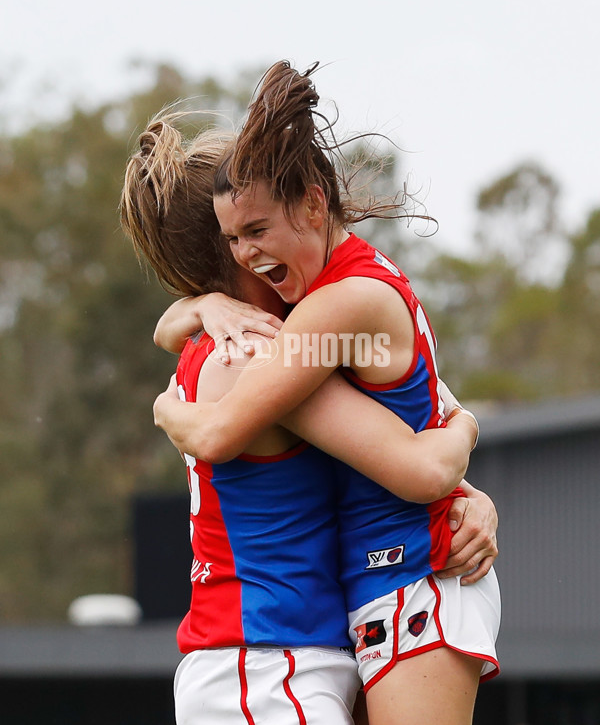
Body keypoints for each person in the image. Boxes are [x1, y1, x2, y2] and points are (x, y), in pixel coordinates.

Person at [153, 61, 501, 725]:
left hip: (404, 582)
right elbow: (429, 433)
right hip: (304, 635)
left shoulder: (326, 315)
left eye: (257, 230)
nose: (249, 250)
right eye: (235, 238)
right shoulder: (281, 335)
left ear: (313, 205)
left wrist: (170, 405)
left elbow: (426, 455)